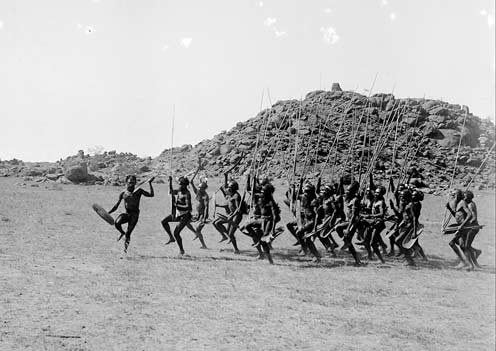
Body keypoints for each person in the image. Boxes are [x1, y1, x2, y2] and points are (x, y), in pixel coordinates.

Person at [108, 175, 154, 253]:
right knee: (117, 223)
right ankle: (122, 233)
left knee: (128, 233)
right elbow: (116, 205)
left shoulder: (139, 191)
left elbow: (151, 195)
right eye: (129, 182)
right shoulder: (123, 193)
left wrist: (150, 183)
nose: (131, 184)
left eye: (133, 183)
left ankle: (125, 250)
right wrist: (109, 213)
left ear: (135, 183)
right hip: (127, 213)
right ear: (126, 182)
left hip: (135, 215)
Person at [161, 176, 193, 255]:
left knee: (176, 233)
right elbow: (171, 191)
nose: (179, 186)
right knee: (164, 222)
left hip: (185, 215)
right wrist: (170, 182)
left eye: (181, 185)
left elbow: (189, 207)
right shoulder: (179, 191)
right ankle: (171, 238)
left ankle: (181, 251)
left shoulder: (187, 194)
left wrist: (178, 206)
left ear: (185, 185)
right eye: (179, 184)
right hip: (178, 213)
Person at [334, 180, 362, 265]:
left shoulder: (355, 200)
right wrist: (340, 182)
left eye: (349, 190)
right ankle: (357, 260)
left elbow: (354, 216)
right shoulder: (349, 198)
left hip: (354, 222)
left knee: (342, 232)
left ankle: (357, 260)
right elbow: (340, 194)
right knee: (347, 240)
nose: (346, 192)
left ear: (352, 192)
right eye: (347, 190)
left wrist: (348, 229)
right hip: (349, 221)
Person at [190, 169, 209, 249]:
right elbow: (191, 182)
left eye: (200, 187)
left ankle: (204, 245)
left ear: (204, 188)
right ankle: (197, 234)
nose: (199, 188)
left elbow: (206, 207)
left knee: (198, 229)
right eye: (199, 187)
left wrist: (204, 218)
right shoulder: (198, 193)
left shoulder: (205, 196)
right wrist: (197, 170)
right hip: (197, 214)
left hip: (202, 215)